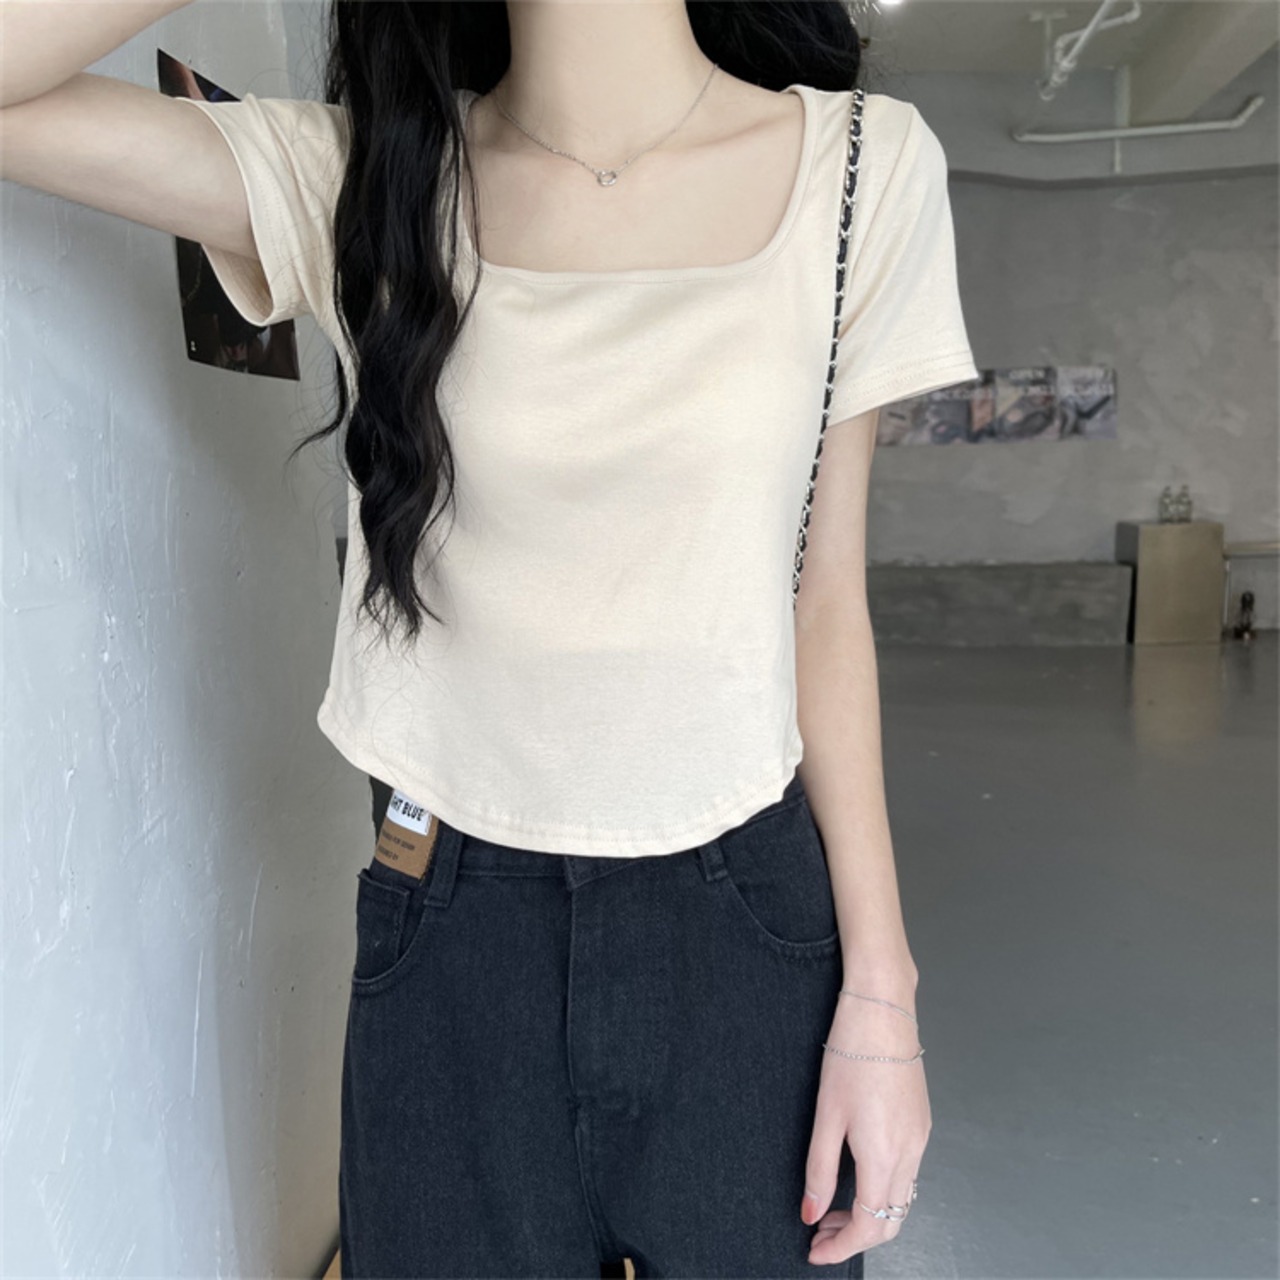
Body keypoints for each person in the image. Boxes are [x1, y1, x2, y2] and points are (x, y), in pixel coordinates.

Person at [1, 2, 979, 1276]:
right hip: (453, 921)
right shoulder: (364, 177)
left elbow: (823, 603)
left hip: (742, 922)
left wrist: (882, 1000)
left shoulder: (860, 168)